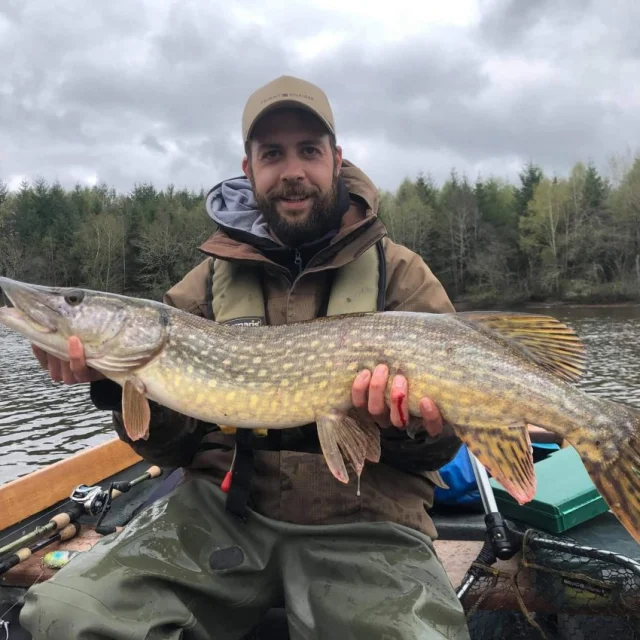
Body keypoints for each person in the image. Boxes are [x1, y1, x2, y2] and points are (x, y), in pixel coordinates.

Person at [20, 76, 470, 639]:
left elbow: (446, 443)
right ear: (248, 168)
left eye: (309, 150)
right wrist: (114, 387)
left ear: (336, 159)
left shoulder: (402, 274)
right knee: (65, 616)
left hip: (369, 523)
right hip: (220, 514)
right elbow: (173, 446)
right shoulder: (202, 286)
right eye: (272, 155)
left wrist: (400, 426)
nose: (292, 171)